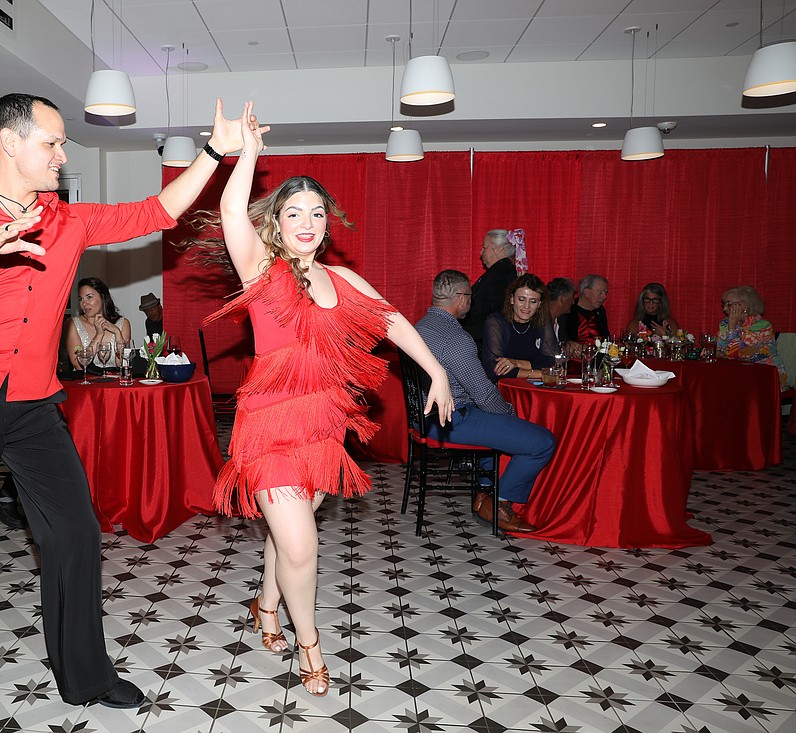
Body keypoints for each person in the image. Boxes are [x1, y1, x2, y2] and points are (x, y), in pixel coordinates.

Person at [0, 92, 246, 707]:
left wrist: (214, 151)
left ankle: (84, 673)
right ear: (10, 144)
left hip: (32, 400)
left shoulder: (69, 220)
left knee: (77, 532)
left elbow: (160, 210)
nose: (62, 153)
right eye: (52, 142)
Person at [186, 104, 453, 698]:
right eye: (293, 212)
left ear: (327, 224)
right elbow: (232, 209)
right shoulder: (260, 269)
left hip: (322, 429)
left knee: (290, 533)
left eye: (316, 213)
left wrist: (436, 370)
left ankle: (264, 602)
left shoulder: (345, 280)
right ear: (276, 223)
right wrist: (248, 153)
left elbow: (393, 321)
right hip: (268, 428)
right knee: (303, 542)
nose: (306, 222)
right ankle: (311, 645)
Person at [415, 270, 556, 534]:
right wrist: (511, 414)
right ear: (461, 298)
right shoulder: (456, 338)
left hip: (424, 417)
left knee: (498, 428)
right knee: (542, 442)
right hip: (450, 419)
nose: (471, 301)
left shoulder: (420, 327)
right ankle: (499, 503)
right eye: (469, 295)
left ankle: (483, 494)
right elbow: (484, 395)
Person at [482, 274, 557, 383]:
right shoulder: (496, 322)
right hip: (503, 390)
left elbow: (552, 361)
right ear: (512, 299)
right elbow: (494, 368)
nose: (526, 306)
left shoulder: (542, 321)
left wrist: (516, 363)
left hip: (535, 389)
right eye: (521, 299)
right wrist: (540, 374)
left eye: (533, 301)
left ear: (539, 304)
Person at [717, 285, 787, 386]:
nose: (724, 308)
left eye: (729, 304)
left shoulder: (762, 326)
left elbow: (738, 353)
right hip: (738, 373)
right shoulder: (725, 324)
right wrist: (717, 351)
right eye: (724, 304)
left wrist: (732, 328)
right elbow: (719, 349)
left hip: (763, 375)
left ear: (745, 306)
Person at [463, 229, 517, 352]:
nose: (481, 252)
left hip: (485, 342)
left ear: (499, 249)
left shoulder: (499, 276)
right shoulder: (501, 272)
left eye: (484, 247)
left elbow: (491, 313)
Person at [64, 276, 130, 370]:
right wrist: (99, 335)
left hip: (114, 382)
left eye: (89, 297)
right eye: (81, 299)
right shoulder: (72, 324)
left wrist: (117, 333)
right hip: (85, 382)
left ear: (102, 297)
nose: (84, 303)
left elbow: (123, 365)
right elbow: (79, 366)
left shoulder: (122, 323)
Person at [560, 274, 610, 358]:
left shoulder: (600, 311)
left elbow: (606, 338)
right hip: (574, 361)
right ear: (586, 292)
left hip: (598, 360)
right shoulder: (568, 310)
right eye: (600, 292)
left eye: (605, 293)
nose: (604, 297)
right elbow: (561, 339)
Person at [546, 277, 577, 348]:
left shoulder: (561, 320)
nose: (573, 302)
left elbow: (562, 343)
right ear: (561, 299)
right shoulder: (539, 320)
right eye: (572, 298)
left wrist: (569, 345)